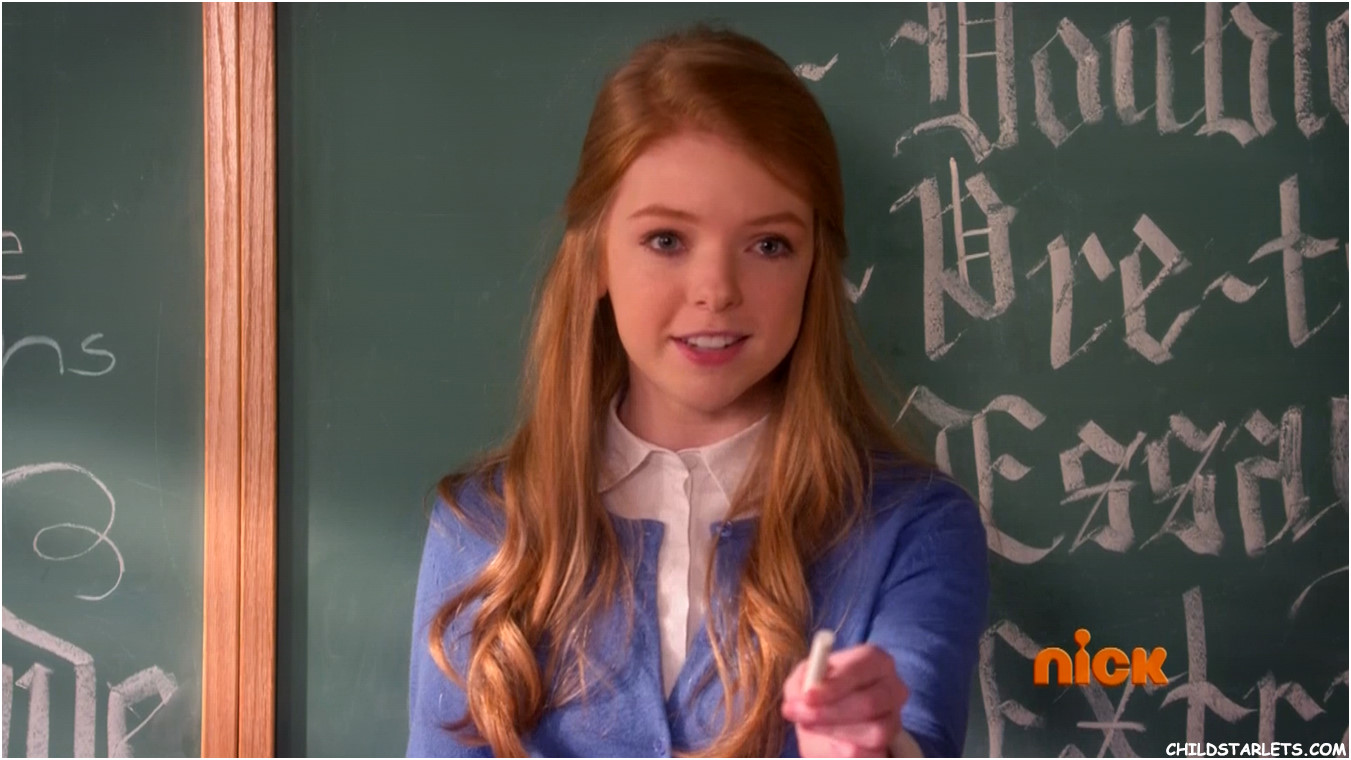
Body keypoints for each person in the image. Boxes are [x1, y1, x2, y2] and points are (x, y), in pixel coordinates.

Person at [407, 24, 988, 758]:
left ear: (814, 268)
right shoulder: (484, 529)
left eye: (769, 245)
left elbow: (917, 733)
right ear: (595, 259)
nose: (716, 291)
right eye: (666, 240)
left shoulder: (912, 528)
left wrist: (876, 747)